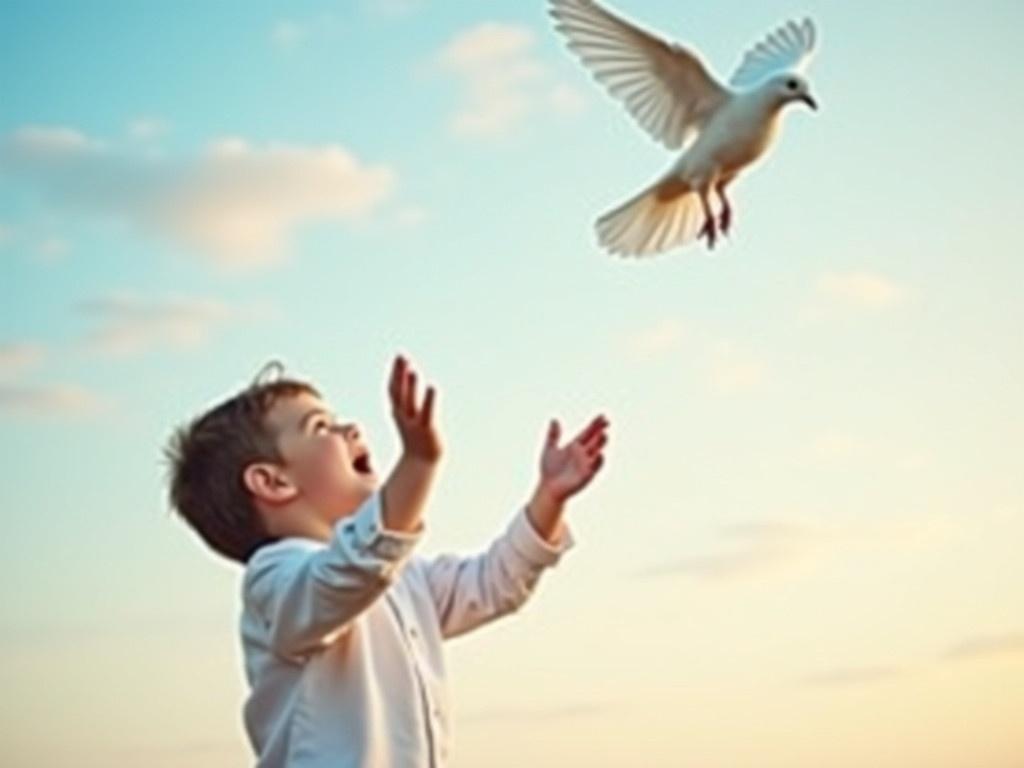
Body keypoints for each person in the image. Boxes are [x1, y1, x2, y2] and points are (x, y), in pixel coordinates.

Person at [163, 353, 610, 767]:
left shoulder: (399, 576)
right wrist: (418, 463)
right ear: (273, 482)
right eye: (321, 427)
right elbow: (346, 576)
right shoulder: (275, 578)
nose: (349, 429)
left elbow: (492, 585)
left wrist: (548, 499)